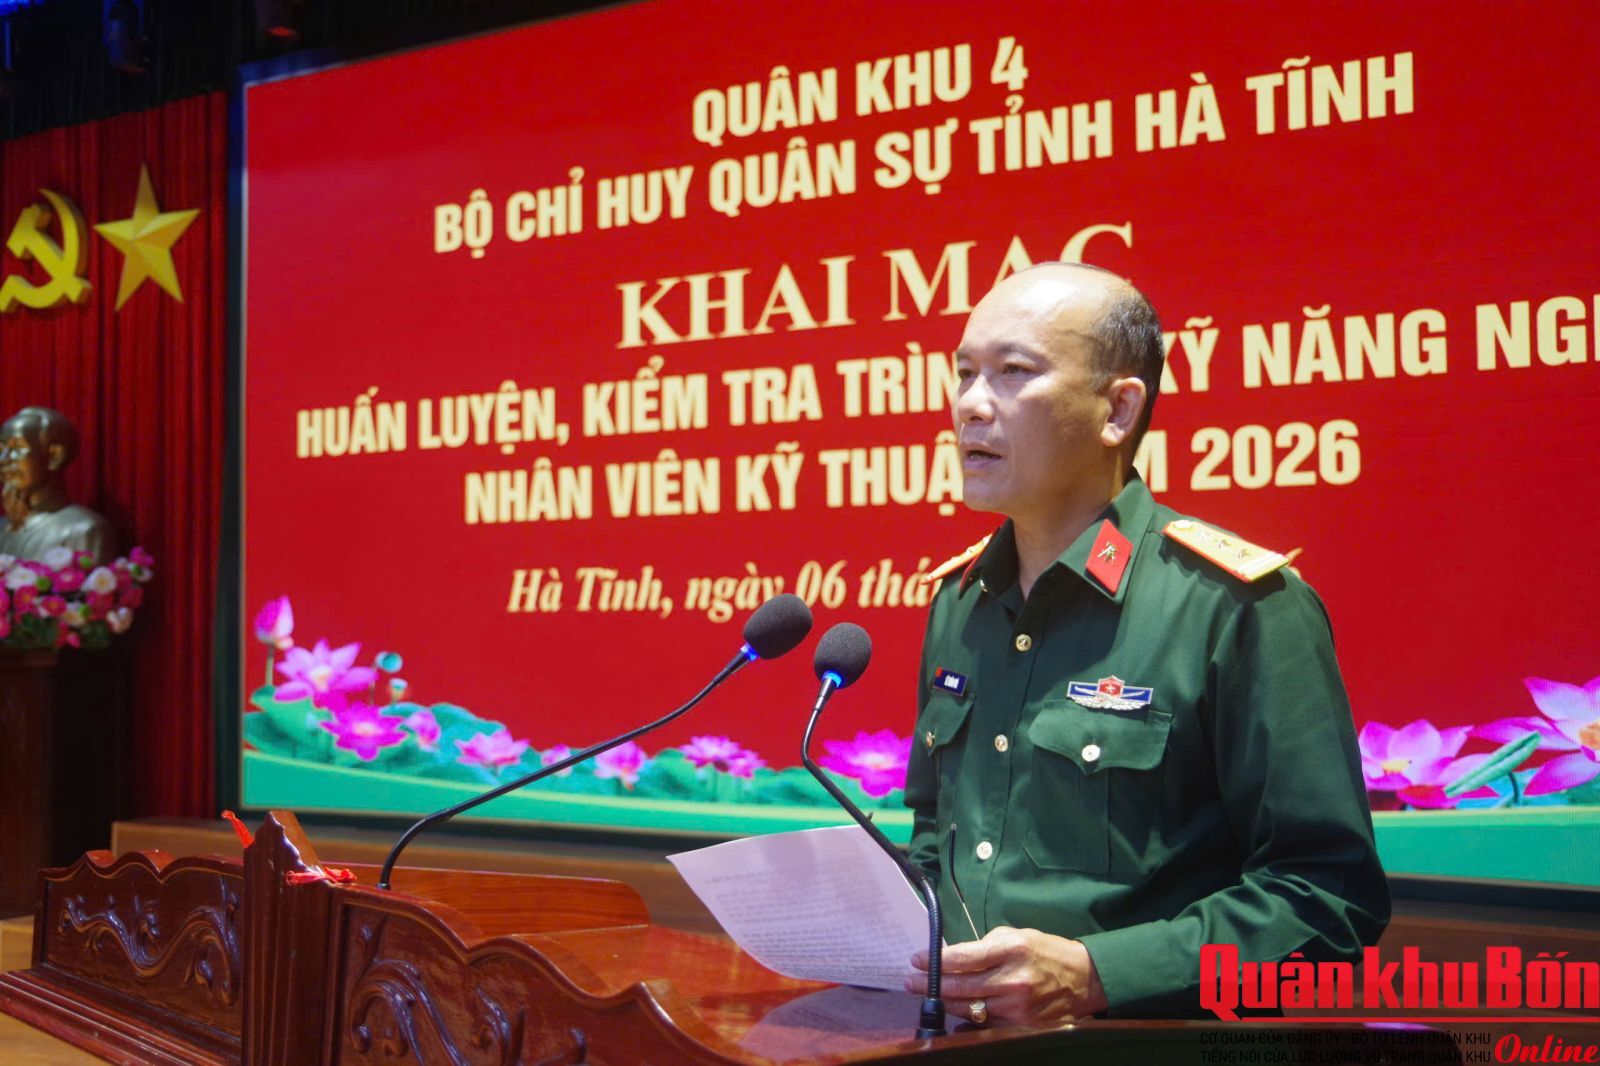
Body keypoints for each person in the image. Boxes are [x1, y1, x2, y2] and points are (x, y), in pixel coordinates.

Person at [902, 262, 1388, 1022]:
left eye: (1013, 372)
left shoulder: (1237, 607)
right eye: (964, 373)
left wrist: (1098, 975)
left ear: (1119, 410)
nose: (969, 404)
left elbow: (1328, 896)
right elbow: (935, 837)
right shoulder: (960, 602)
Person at [0, 405, 116, 564]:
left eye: (18, 448)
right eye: (1, 449)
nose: (3, 459)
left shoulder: (84, 530)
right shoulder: (2, 528)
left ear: (54, 456)